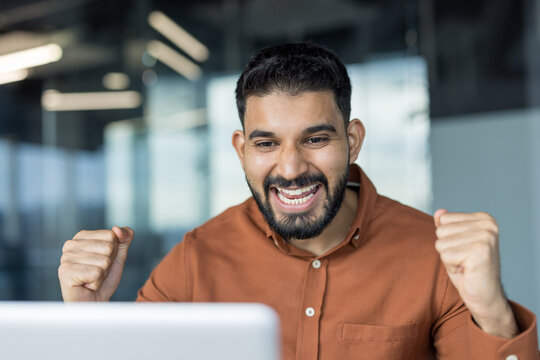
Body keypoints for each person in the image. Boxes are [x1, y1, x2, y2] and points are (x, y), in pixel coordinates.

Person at [58, 43, 539, 359]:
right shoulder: (194, 260)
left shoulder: (433, 257)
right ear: (240, 150)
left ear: (353, 139)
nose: (289, 169)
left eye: (315, 139)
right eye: (266, 143)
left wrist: (492, 311)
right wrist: (85, 319)